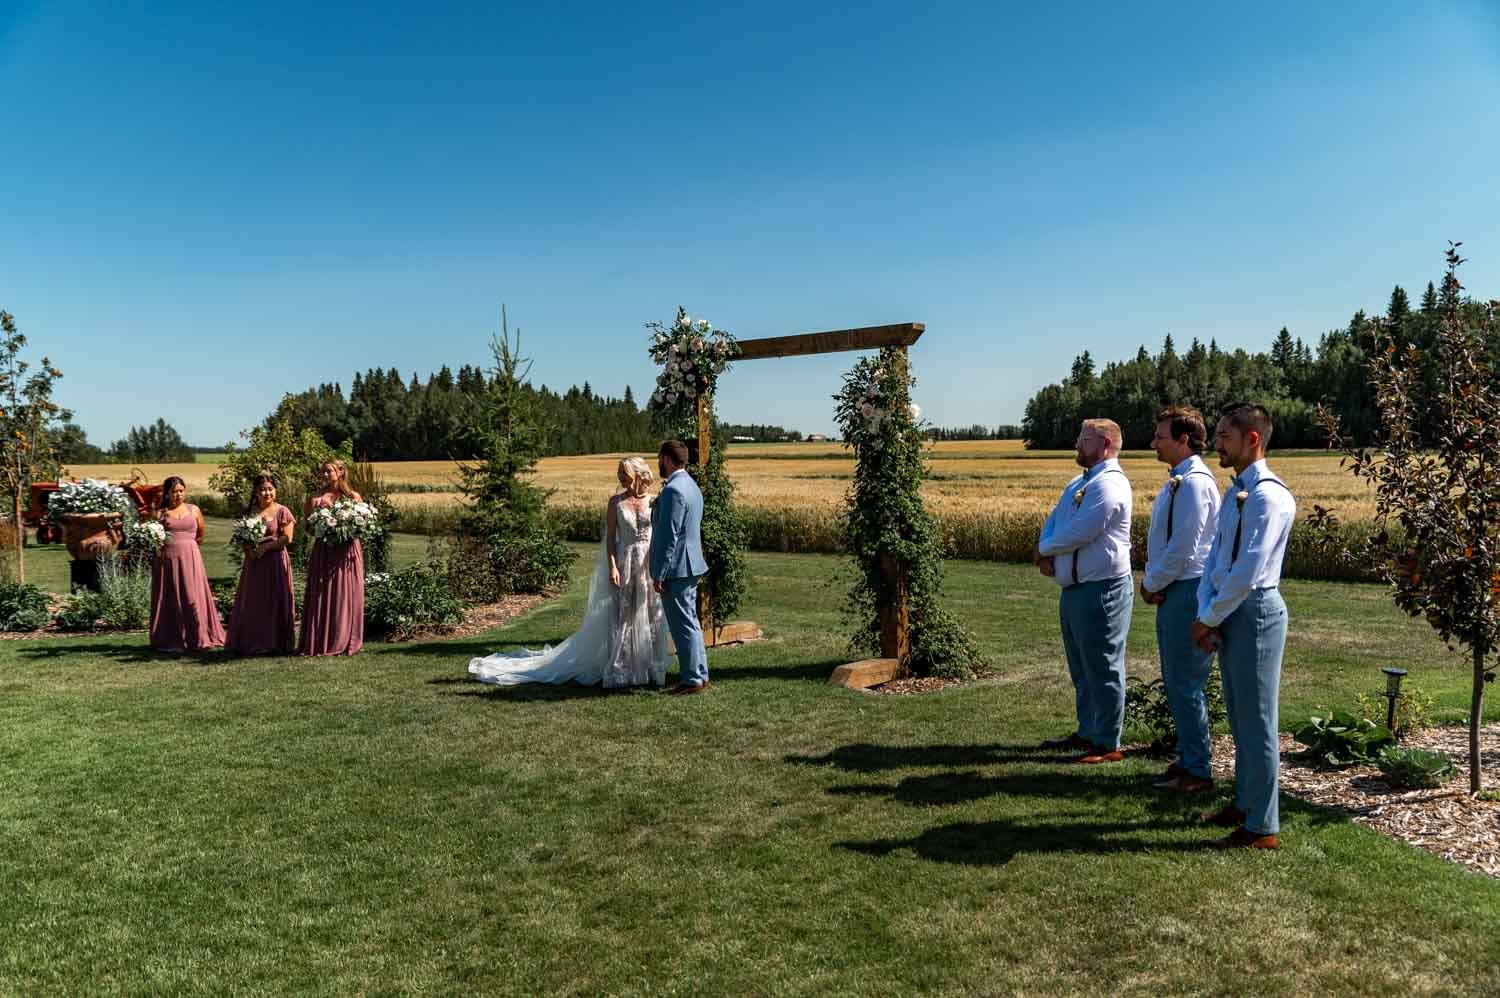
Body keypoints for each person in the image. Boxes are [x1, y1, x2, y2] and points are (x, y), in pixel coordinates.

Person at [468, 457, 671, 687]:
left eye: (624, 473)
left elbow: (661, 535)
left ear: (638, 474)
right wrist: (613, 566)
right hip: (625, 562)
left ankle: (650, 667)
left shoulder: (654, 501)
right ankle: (622, 668)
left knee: (649, 612)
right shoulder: (615, 503)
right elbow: (611, 541)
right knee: (623, 614)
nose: (620, 478)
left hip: (647, 562)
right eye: (619, 473)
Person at [1194, 403, 1296, 850]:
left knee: (1257, 721)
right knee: (1239, 716)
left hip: (1253, 609)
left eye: (1224, 436)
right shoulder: (1235, 493)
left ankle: (1262, 827)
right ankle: (1246, 801)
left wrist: (1208, 617)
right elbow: (1215, 559)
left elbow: (1249, 570)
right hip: (1229, 606)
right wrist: (1206, 607)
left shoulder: (1269, 496)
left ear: (1251, 439)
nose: (1217, 443)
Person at [1034, 419, 1133, 763]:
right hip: (1076, 589)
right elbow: (1057, 520)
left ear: (1105, 444)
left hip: (1102, 589)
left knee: (1103, 665)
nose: (1077, 443)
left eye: (1084, 439)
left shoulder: (1110, 486)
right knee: (1082, 666)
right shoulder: (1080, 482)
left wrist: (1046, 550)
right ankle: (1088, 729)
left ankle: (1108, 742)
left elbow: (1082, 531)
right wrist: (1046, 545)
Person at [1140, 406, 1221, 793]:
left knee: (1185, 683)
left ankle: (1198, 769)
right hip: (1178, 586)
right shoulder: (1181, 480)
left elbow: (1184, 547)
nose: (1153, 442)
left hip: (1187, 588)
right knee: (1178, 682)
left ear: (1183, 440)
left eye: (1160, 436)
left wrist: (1151, 582)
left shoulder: (1192, 484)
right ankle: (1189, 757)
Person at [650, 440, 710, 695]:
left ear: (666, 458)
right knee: (691, 622)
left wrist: (659, 574)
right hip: (692, 563)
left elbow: (669, 536)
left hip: (678, 568)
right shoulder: (691, 486)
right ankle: (700, 674)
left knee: (682, 625)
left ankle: (693, 679)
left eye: (659, 458)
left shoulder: (674, 489)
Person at [149, 475, 226, 652]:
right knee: (172, 595)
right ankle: (172, 637)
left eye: (181, 491)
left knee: (192, 595)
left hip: (191, 558)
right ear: (167, 494)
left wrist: (188, 547)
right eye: (174, 492)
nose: (178, 495)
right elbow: (153, 538)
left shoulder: (194, 510)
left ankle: (198, 635)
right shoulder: (160, 513)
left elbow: (200, 534)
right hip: (167, 560)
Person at [297, 458, 365, 657]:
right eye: (323, 472)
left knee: (346, 594)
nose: (325, 475)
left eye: (329, 471)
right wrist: (324, 529)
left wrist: (346, 530)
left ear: (341, 472)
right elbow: (308, 528)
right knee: (322, 593)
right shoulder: (315, 498)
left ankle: (344, 638)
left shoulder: (353, 497)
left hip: (347, 552)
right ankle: (321, 639)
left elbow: (361, 525)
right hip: (324, 551)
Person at [226, 474, 296, 656]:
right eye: (262, 489)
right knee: (255, 601)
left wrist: (265, 547)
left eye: (270, 489)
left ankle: (276, 642)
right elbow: (241, 535)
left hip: (275, 562)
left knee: (275, 600)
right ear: (256, 492)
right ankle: (254, 640)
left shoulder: (282, 511)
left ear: (275, 490)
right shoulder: (249, 512)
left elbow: (287, 538)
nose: (267, 493)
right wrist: (248, 550)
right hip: (254, 564)